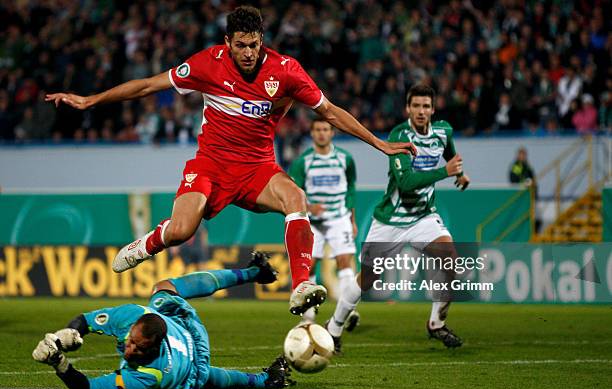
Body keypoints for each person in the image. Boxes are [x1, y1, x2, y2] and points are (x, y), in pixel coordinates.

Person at [45, 6, 416, 316]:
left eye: (255, 45)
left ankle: (302, 284)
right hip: (211, 164)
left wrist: (378, 143)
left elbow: (330, 111)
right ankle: (149, 242)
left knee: (296, 199)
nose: (249, 53)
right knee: (181, 231)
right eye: (241, 46)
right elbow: (147, 86)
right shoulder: (208, 64)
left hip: (258, 168)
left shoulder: (286, 70)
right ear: (228, 43)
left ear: (262, 41)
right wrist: (91, 100)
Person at [324, 84, 470, 352]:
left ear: (433, 109)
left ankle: (436, 323)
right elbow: (405, 182)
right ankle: (333, 327)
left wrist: (459, 173)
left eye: (426, 106)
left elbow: (449, 153)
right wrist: (446, 172)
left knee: (451, 260)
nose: (421, 111)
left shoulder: (443, 132)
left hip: (423, 218)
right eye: (416, 106)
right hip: (390, 221)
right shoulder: (400, 135)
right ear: (408, 109)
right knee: (366, 279)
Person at [32, 252, 293, 389]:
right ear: (134, 325)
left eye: (139, 349)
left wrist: (60, 362)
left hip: (191, 361)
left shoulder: (148, 376)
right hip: (177, 325)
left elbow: (85, 388)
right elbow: (84, 321)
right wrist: (64, 335)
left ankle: (262, 380)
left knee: (207, 378)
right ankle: (253, 273)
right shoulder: (131, 315)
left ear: (154, 350)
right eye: (131, 341)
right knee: (163, 288)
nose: (130, 349)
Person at [288, 119, 360, 337]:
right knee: (308, 266)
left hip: (339, 218)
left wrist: (352, 219)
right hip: (313, 222)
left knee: (345, 261)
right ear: (312, 133)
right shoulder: (303, 162)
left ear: (332, 132)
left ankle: (349, 311)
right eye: (318, 129)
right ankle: (308, 317)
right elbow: (293, 192)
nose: (322, 133)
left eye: (326, 129)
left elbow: (350, 189)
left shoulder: (345, 159)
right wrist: (309, 207)